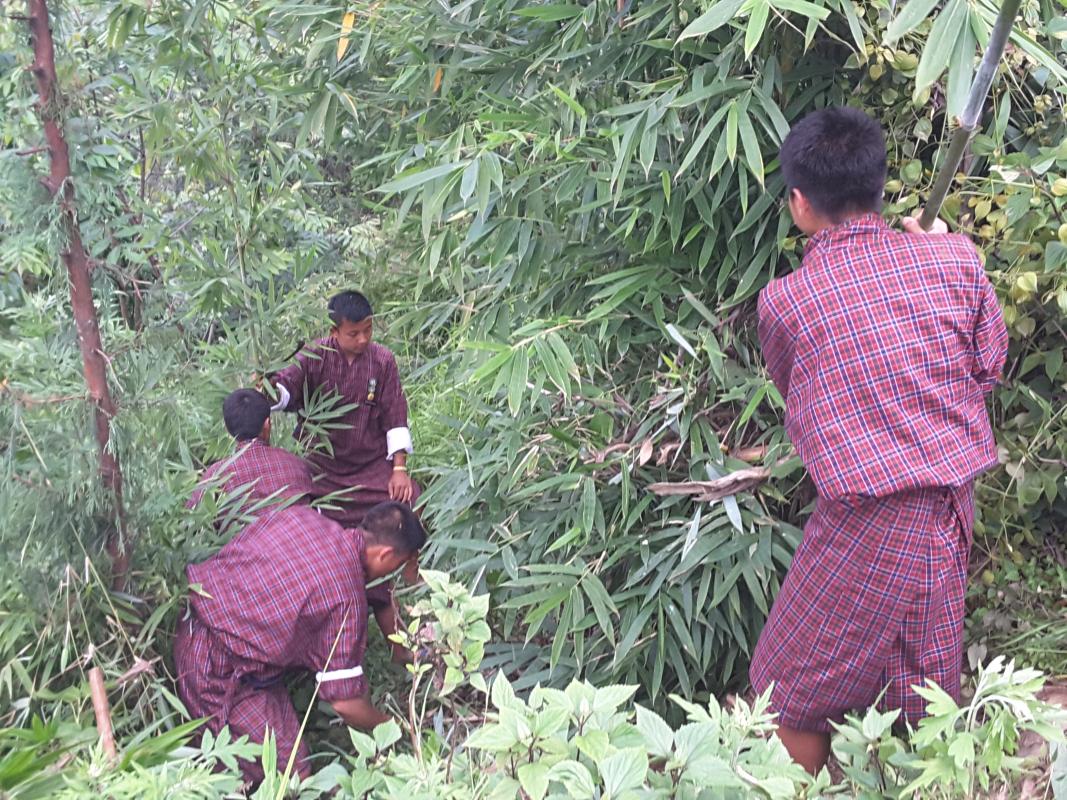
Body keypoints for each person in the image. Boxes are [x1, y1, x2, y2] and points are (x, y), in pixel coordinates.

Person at [748, 107, 1008, 774]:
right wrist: (940, 250)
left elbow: (799, 389)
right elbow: (988, 365)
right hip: (949, 508)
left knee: (782, 693)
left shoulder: (786, 301)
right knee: (920, 693)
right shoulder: (951, 257)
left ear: (799, 203)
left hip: (868, 518)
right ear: (879, 185)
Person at [173, 500, 426, 786]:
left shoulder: (302, 517)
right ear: (386, 554)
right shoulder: (346, 598)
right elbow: (345, 703)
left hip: (190, 617)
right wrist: (392, 727)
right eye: (400, 564)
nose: (396, 572)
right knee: (294, 778)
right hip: (217, 673)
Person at [269, 290, 419, 529]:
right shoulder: (314, 356)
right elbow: (286, 389)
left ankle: (409, 565)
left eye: (367, 330)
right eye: (353, 333)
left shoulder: (383, 360)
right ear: (334, 331)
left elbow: (395, 415)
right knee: (300, 513)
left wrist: (399, 469)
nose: (362, 339)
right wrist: (268, 388)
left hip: (370, 465)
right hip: (321, 468)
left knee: (409, 501)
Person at [187, 388, 315, 515]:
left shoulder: (216, 476)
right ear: (267, 424)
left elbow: (193, 520)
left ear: (227, 429)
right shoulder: (297, 465)